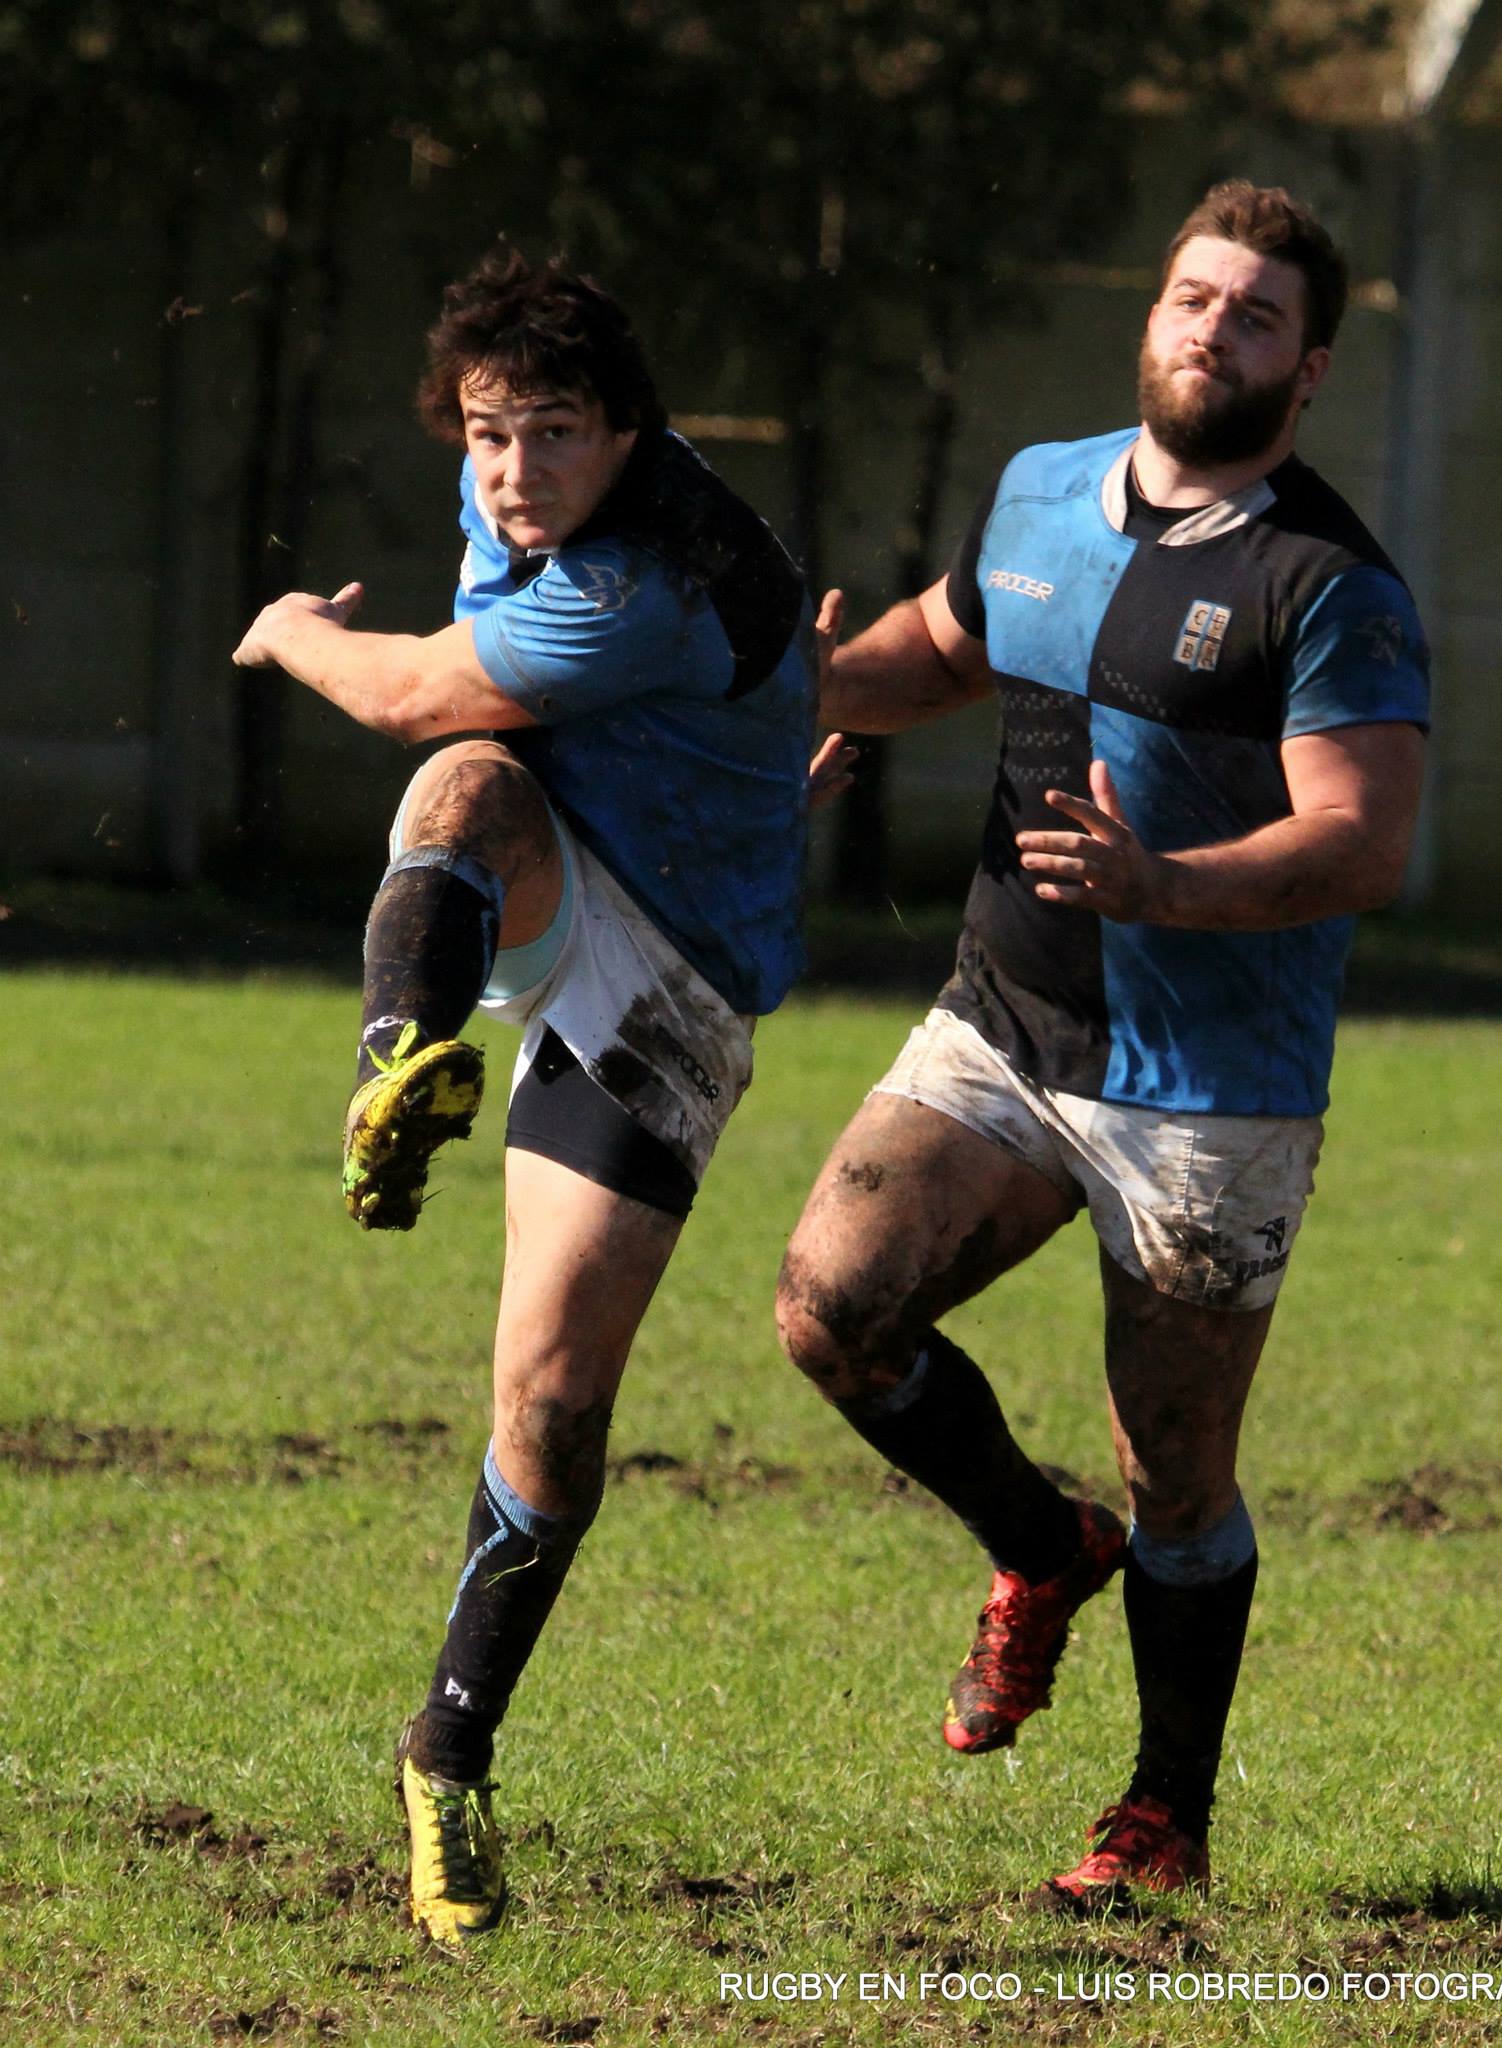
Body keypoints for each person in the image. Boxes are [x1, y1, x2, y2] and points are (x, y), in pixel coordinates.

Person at [775, 181, 1429, 1904]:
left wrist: (1163, 879)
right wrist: (821, 687)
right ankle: (1035, 1548)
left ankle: (1161, 1825)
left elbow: (1365, 839)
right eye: (1195, 295)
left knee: (1180, 1469)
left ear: (1310, 369)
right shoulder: (1041, 488)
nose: (1214, 327)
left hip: (1210, 1089)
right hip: (1007, 1021)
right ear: (1152, 312)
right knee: (832, 1307)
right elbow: (948, 646)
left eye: (1257, 314)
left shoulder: (1334, 585)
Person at [233, 250, 844, 1941]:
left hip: (680, 979)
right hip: (557, 867)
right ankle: (401, 1070)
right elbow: (467, 718)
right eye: (489, 435)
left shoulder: (647, 567)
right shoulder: (527, 501)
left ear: (629, 432)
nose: (513, 475)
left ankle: (446, 1751)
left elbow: (423, 676)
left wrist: (289, 634)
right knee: (470, 782)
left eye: (554, 436)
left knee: (554, 1406)